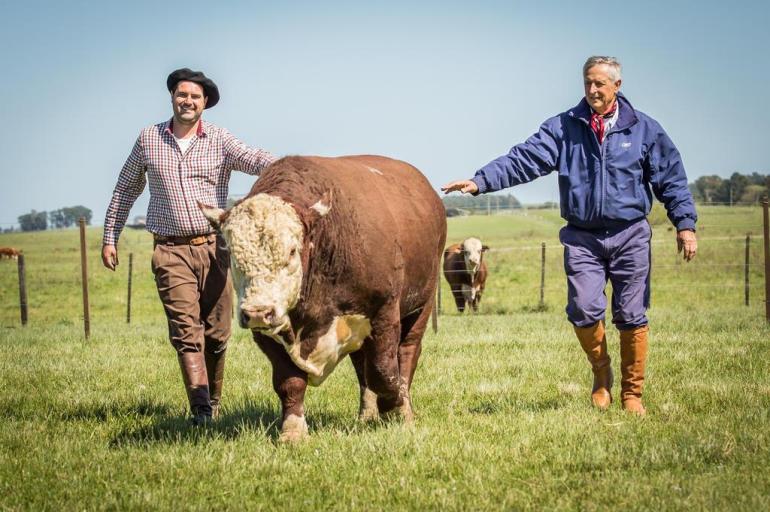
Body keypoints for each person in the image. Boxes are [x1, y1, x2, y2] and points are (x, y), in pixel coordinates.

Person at [442, 56, 698, 415]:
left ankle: (632, 394)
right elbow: (523, 159)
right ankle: (601, 374)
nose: (592, 90)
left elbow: (671, 178)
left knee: (631, 313)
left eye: (599, 84)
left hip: (630, 234)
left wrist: (685, 224)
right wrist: (481, 180)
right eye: (587, 83)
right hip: (582, 236)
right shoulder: (565, 127)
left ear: (617, 87)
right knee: (583, 309)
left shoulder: (644, 130)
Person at [102, 68, 276, 424]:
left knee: (216, 334)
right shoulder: (149, 139)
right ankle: (200, 410)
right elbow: (125, 188)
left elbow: (255, 159)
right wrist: (110, 236)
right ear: (172, 97)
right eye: (182, 95)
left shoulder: (220, 139)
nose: (188, 101)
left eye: (195, 97)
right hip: (170, 251)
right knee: (186, 331)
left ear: (205, 103)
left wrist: (293, 168)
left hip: (215, 249)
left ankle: (212, 402)